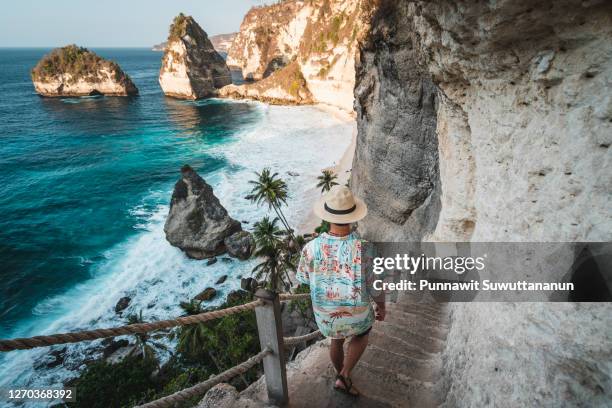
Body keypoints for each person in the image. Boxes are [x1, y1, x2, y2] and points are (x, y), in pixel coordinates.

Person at [296, 185, 386, 397]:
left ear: (327, 217)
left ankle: (340, 374)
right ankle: (344, 375)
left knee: (335, 339)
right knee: (362, 333)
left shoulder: (310, 248)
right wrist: (381, 306)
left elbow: (304, 280)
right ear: (353, 217)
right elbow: (376, 286)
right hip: (357, 313)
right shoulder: (367, 248)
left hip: (326, 315)